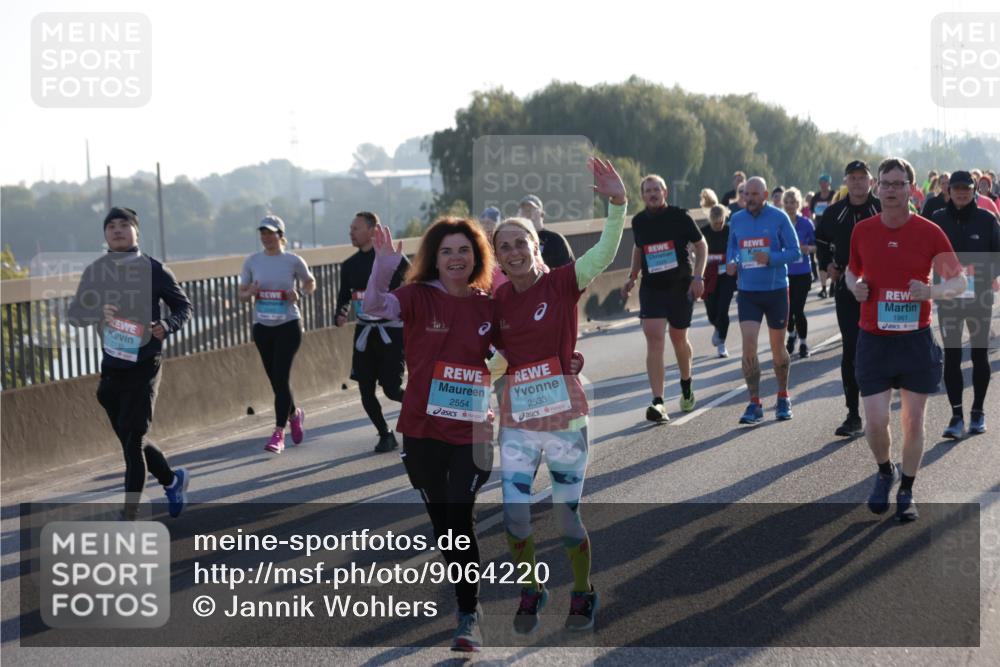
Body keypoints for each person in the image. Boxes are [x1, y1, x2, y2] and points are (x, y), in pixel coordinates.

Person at [491, 157, 626, 634]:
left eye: (519, 243)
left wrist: (616, 203)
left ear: (535, 245)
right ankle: (531, 588)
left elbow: (607, 252)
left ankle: (584, 589)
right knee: (513, 518)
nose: (513, 251)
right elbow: (487, 357)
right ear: (498, 257)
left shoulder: (562, 281)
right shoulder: (497, 303)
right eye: (503, 246)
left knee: (566, 518)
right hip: (519, 424)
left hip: (566, 421)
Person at [363, 217, 497, 652]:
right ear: (434, 260)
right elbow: (373, 308)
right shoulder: (417, 297)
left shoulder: (488, 303)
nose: (456, 258)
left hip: (471, 432)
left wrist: (564, 361)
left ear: (476, 256)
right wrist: (383, 266)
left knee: (460, 516)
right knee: (444, 528)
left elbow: (518, 352)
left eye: (463, 250)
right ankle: (467, 600)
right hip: (421, 429)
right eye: (446, 251)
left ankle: (468, 613)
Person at [845, 157, 966, 522]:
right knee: (876, 422)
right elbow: (852, 272)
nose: (892, 190)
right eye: (886, 183)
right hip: (874, 341)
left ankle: (908, 489)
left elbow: (959, 282)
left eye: (899, 184)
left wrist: (930, 290)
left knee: (913, 421)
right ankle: (885, 470)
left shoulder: (929, 231)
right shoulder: (862, 231)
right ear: (877, 187)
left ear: (911, 189)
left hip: (915, 341)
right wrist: (856, 288)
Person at [67, 206, 192, 518]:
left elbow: (183, 307)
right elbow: (74, 315)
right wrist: (99, 313)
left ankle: (129, 516)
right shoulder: (95, 271)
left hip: (145, 363)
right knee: (130, 437)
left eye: (124, 225)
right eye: (111, 226)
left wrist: (168, 325)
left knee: (133, 441)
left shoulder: (155, 269)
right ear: (105, 234)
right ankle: (172, 479)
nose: (118, 230)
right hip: (112, 367)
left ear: (136, 231)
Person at [621, 174, 708, 421]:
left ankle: (686, 385)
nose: (652, 194)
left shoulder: (680, 216)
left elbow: (701, 246)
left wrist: (698, 277)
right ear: (642, 196)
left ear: (665, 192)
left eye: (656, 189)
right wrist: (632, 276)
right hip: (652, 288)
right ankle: (658, 402)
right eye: (647, 190)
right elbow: (638, 248)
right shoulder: (638, 221)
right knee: (654, 336)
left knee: (678, 338)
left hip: (680, 286)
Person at [725, 177, 801, 424]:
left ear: (765, 194)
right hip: (747, 292)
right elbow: (733, 249)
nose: (750, 199)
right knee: (749, 346)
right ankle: (754, 402)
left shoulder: (779, 218)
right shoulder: (736, 219)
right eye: (747, 194)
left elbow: (795, 251)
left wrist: (770, 258)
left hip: (776, 290)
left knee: (778, 349)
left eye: (755, 194)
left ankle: (782, 396)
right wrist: (733, 262)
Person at [238, 215, 316, 453]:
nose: (266, 237)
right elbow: (241, 293)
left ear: (281, 236)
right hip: (263, 327)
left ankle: (279, 433)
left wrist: (299, 293)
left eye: (271, 233)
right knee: (276, 381)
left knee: (281, 377)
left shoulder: (293, 260)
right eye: (263, 233)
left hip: (288, 325)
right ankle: (294, 414)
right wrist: (250, 291)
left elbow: (310, 283)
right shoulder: (252, 261)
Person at [931, 170, 1000, 437]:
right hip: (949, 299)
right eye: (957, 188)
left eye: (966, 188)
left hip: (979, 299)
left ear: (974, 190)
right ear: (949, 191)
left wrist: (985, 277)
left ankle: (978, 412)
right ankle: (956, 416)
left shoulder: (986, 219)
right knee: (952, 356)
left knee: (980, 355)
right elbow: (927, 253)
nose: (961, 192)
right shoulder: (938, 220)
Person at [815, 160, 881, 438]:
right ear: (846, 182)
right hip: (846, 287)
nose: (857, 183)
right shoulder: (834, 212)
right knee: (851, 349)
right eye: (852, 178)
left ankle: (879, 413)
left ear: (871, 182)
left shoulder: (883, 207)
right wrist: (827, 265)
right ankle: (853, 414)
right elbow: (820, 242)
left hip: (882, 287)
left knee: (882, 348)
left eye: (861, 178)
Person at [334, 211, 408, 453]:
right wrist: (341, 312)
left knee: (391, 389)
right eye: (350, 229)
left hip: (391, 333)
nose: (351, 233)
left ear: (372, 230)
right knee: (365, 388)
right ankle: (385, 433)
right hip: (365, 332)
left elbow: (413, 286)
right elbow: (345, 296)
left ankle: (425, 414)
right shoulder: (350, 265)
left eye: (355, 228)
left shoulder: (393, 259)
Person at [782, 187, 817, 358]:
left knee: (798, 309)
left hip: (803, 272)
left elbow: (816, 246)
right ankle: (791, 334)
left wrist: (807, 248)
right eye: (787, 202)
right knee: (788, 310)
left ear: (798, 203)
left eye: (793, 202)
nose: (790, 206)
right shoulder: (780, 222)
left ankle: (803, 343)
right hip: (785, 273)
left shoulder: (806, 223)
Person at [701, 204, 736, 358]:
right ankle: (717, 327)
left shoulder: (730, 231)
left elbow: (737, 249)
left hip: (726, 276)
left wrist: (734, 262)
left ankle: (721, 343)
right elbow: (694, 249)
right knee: (711, 311)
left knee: (723, 309)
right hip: (709, 276)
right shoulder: (703, 233)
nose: (719, 225)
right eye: (716, 223)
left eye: (721, 222)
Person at [518, 194, 575, 268]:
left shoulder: (555, 239)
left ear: (542, 214)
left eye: (531, 209)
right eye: (524, 210)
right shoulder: (518, 242)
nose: (528, 214)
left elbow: (570, 269)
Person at [810, 174, 836, 297]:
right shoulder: (815, 197)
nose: (823, 184)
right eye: (821, 182)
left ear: (829, 183)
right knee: (821, 259)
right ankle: (824, 288)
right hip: (820, 231)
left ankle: (833, 285)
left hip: (833, 230)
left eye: (825, 181)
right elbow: (812, 213)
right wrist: (814, 226)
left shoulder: (834, 195)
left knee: (834, 258)